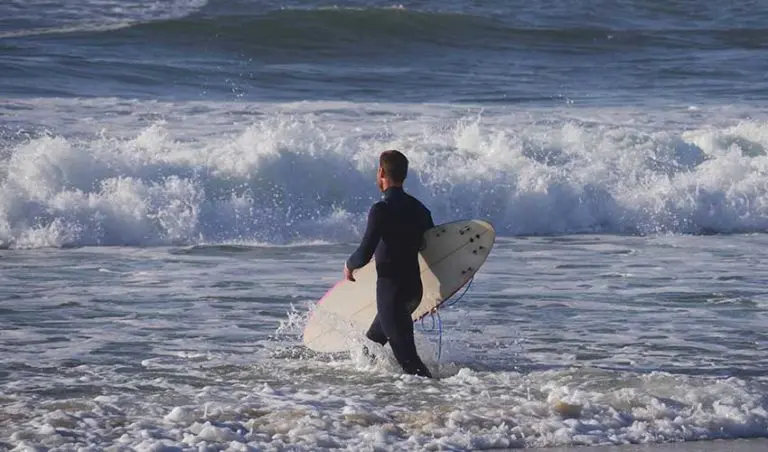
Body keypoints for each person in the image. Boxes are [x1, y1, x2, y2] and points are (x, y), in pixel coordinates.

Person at [344, 150, 434, 378]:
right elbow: (433, 247)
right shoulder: (420, 209)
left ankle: (446, 397)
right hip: (414, 292)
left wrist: (349, 265)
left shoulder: (381, 210)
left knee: (411, 364)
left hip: (392, 294)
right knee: (369, 349)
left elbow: (364, 253)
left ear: (381, 172)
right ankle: (380, 394)